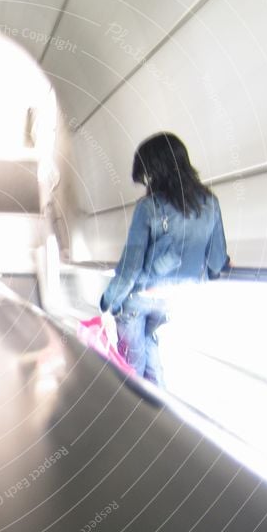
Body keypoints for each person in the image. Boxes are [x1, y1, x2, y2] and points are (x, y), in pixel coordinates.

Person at [99, 132, 229, 386]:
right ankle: (156, 413)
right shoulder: (210, 203)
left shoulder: (149, 207)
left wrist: (108, 302)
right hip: (172, 301)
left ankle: (133, 418)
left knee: (130, 369)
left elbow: (130, 267)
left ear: (156, 171)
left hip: (140, 300)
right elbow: (216, 261)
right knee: (149, 347)